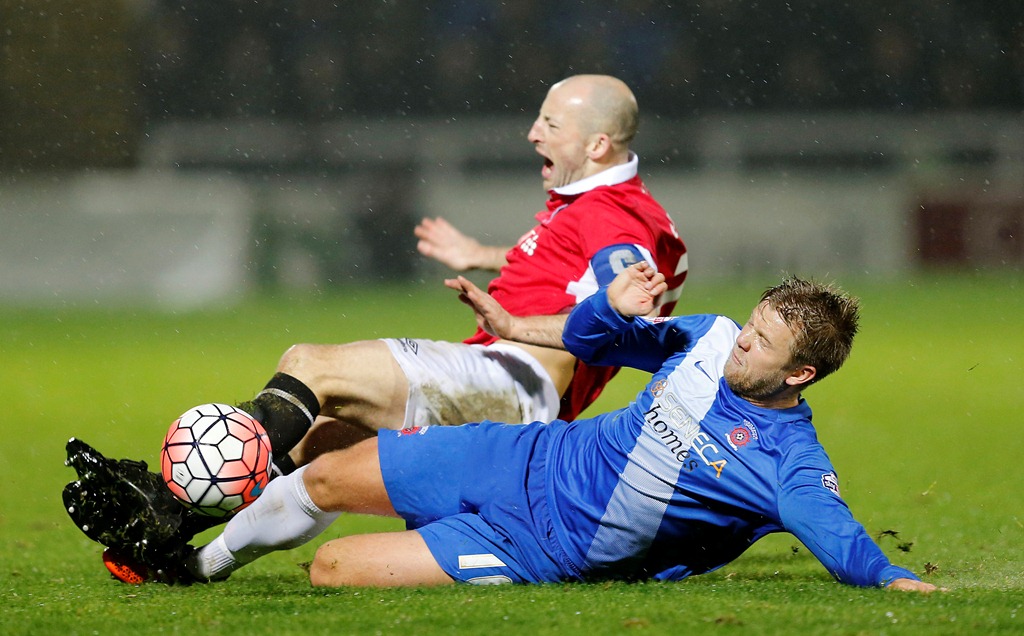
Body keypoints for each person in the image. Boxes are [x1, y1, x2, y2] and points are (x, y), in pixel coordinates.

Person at [63, 73, 687, 568]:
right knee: (318, 447)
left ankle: (167, 506)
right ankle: (186, 560)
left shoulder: (611, 215)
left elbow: (627, 299)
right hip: (519, 398)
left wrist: (518, 323)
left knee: (309, 366)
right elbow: (585, 270)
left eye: (549, 123)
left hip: (514, 381)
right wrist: (490, 255)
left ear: (598, 144)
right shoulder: (605, 203)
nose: (532, 133)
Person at [133, 263, 935, 591]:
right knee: (323, 476)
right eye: (752, 322)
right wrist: (595, 310)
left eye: (763, 343)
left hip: (541, 546)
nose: (743, 341)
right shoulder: (713, 336)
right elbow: (602, 343)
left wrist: (892, 580)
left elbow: (829, 527)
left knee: (331, 570)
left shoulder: (787, 458)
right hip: (520, 454)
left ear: (799, 374)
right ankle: (195, 565)